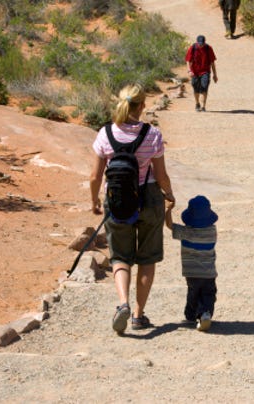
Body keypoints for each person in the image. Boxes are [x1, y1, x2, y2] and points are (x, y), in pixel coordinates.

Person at [90, 83, 175, 335]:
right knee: (147, 258)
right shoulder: (152, 134)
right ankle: (139, 314)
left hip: (117, 200)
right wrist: (169, 194)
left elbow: (95, 175)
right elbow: (161, 175)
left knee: (120, 256)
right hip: (148, 197)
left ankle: (123, 303)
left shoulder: (105, 133)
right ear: (142, 105)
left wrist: (94, 199)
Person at [165, 195, 218, 332]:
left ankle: (192, 315)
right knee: (208, 294)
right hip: (209, 272)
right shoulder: (212, 231)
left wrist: (168, 211)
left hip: (191, 272)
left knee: (193, 294)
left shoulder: (185, 232)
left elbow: (170, 225)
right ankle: (206, 313)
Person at [185, 35, 218, 112]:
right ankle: (197, 103)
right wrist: (189, 70)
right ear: (197, 42)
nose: (201, 45)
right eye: (199, 43)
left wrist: (215, 75)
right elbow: (188, 60)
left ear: (204, 42)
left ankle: (203, 106)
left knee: (204, 87)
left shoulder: (208, 48)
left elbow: (212, 62)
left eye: (202, 43)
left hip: (205, 71)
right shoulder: (193, 48)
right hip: (195, 72)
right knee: (195, 88)